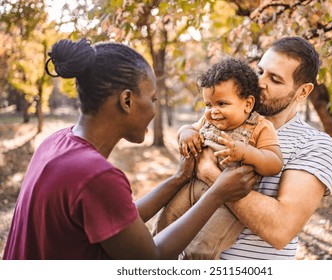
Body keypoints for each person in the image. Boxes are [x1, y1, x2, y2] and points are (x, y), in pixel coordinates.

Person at [2, 38, 258, 260]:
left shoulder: (56, 142)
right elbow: (151, 257)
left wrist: (178, 179)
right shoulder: (95, 176)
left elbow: (121, 219)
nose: (155, 109)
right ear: (127, 100)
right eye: (153, 99)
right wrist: (216, 194)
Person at [177, 36, 332, 259]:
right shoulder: (228, 115)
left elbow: (280, 229)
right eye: (260, 71)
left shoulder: (314, 144)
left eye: (275, 79)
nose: (261, 82)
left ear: (302, 91)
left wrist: (210, 174)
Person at [153, 57, 283, 259]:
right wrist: (186, 133)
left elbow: (274, 162)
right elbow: (187, 128)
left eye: (222, 103)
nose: (213, 111)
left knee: (202, 248)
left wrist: (248, 153)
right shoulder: (206, 120)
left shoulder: (261, 127)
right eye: (208, 104)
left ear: (247, 104)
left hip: (229, 203)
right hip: (192, 187)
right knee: (165, 222)